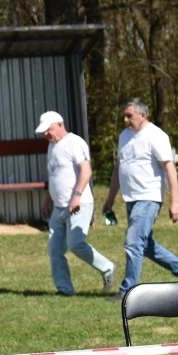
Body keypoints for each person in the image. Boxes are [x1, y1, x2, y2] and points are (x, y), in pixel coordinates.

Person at [102, 98, 178, 301]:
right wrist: (110, 198)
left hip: (149, 197)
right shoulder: (124, 136)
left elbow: (169, 168)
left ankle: (128, 291)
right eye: (125, 116)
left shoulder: (156, 136)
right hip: (131, 198)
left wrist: (175, 201)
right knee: (145, 245)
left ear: (143, 115)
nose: (125, 119)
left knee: (133, 243)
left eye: (130, 116)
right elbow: (119, 168)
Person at [37, 111, 115, 296]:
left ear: (59, 125)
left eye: (48, 130)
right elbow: (54, 176)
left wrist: (76, 196)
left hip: (79, 204)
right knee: (54, 249)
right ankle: (64, 289)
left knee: (75, 244)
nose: (45, 134)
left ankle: (107, 268)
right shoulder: (51, 146)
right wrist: (48, 200)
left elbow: (86, 171)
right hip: (58, 207)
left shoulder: (75, 142)